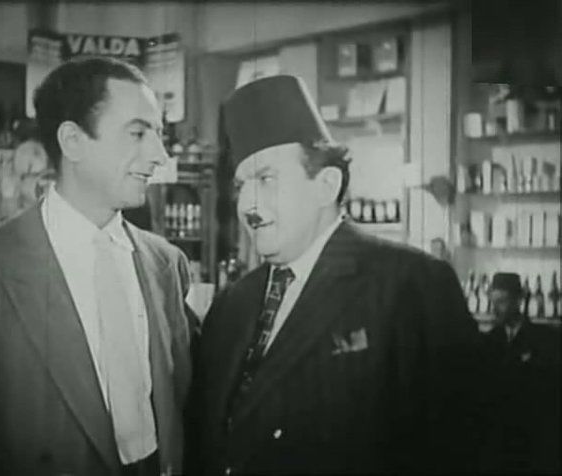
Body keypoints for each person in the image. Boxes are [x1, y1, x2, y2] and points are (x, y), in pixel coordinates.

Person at [187, 75, 481, 475]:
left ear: (327, 185)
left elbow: (462, 443)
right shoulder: (231, 305)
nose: (248, 205)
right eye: (241, 186)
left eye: (266, 179)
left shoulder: (411, 285)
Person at [0, 56, 193, 476]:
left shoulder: (166, 263)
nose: (159, 155)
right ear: (72, 141)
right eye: (138, 133)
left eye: (158, 135)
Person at [479, 272, 560, 473]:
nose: (495, 308)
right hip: (497, 441)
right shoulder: (488, 341)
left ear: (519, 300)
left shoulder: (545, 339)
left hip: (531, 442)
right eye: (493, 301)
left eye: (502, 301)